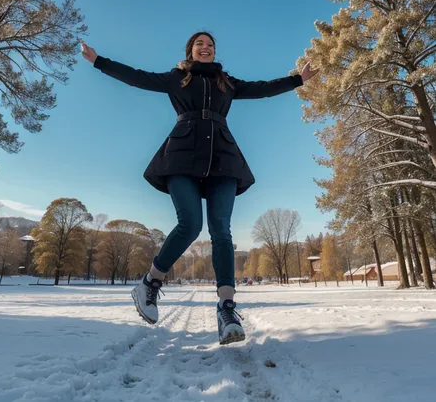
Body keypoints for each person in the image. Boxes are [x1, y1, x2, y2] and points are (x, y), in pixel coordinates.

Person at [81, 32, 318, 345]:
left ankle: (227, 308)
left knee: (221, 230)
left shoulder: (227, 82)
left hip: (223, 157)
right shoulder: (177, 78)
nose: (206, 48)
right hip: (181, 156)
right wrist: (100, 61)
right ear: (190, 51)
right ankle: (150, 284)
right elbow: (137, 78)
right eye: (200, 44)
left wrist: (296, 80)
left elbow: (261, 89)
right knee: (190, 223)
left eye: (211, 45)